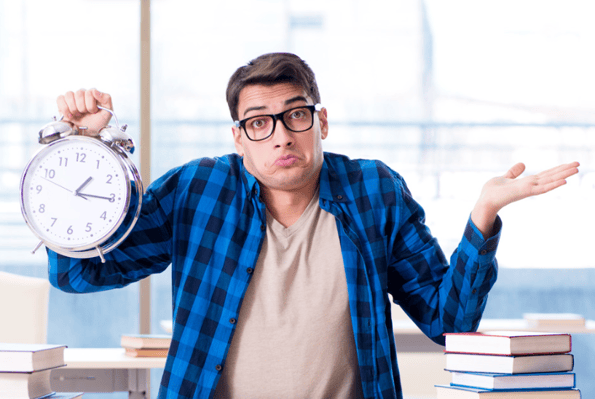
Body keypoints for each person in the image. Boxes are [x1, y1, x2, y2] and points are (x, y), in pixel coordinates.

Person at [49, 52, 579, 399]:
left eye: (295, 115)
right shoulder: (197, 190)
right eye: (258, 123)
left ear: (320, 122)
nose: (281, 137)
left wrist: (483, 214)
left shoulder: (374, 191)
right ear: (239, 138)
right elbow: (81, 274)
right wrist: (81, 147)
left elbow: (449, 323)